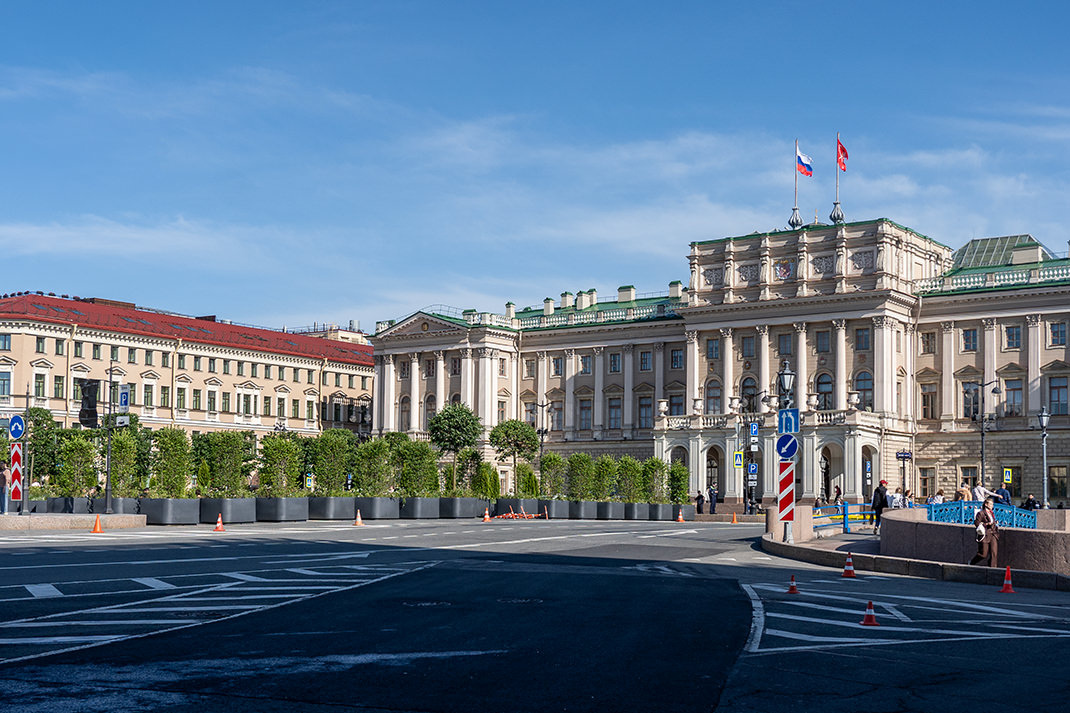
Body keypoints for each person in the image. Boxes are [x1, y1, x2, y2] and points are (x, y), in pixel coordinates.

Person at [969, 496, 1000, 567]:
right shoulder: (981, 513)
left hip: (993, 534)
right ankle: (972, 562)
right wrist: (986, 524)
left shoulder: (991, 513)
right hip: (985, 535)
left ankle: (992, 569)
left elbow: (993, 522)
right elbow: (977, 523)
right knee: (983, 554)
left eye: (992, 504)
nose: (992, 506)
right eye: (991, 504)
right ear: (986, 504)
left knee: (994, 553)